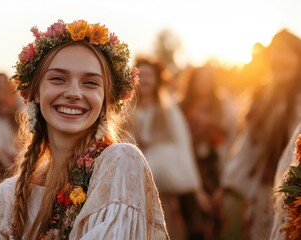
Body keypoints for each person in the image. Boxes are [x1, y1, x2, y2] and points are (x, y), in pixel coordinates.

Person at [0, 20, 169, 239]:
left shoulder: (121, 163)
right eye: (58, 79)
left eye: (90, 83)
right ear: (36, 92)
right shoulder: (7, 197)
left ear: (105, 99)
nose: (74, 92)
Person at [221, 29, 301, 240]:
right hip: (264, 191)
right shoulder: (261, 96)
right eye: (275, 53)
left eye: (286, 53)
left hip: (294, 195)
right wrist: (228, 185)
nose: (279, 59)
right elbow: (248, 145)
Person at [127, 56, 203, 240]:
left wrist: (194, 184)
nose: (144, 80)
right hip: (134, 178)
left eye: (149, 75)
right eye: (141, 75)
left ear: (157, 79)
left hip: (164, 179)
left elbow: (182, 143)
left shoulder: (167, 109)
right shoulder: (126, 110)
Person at [178, 66, 237, 240]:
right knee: (194, 223)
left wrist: (225, 180)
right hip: (189, 167)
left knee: (215, 220)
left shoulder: (223, 105)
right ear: (192, 82)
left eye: (207, 80)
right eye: (199, 79)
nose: (203, 83)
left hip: (216, 167)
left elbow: (231, 138)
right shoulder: (181, 106)